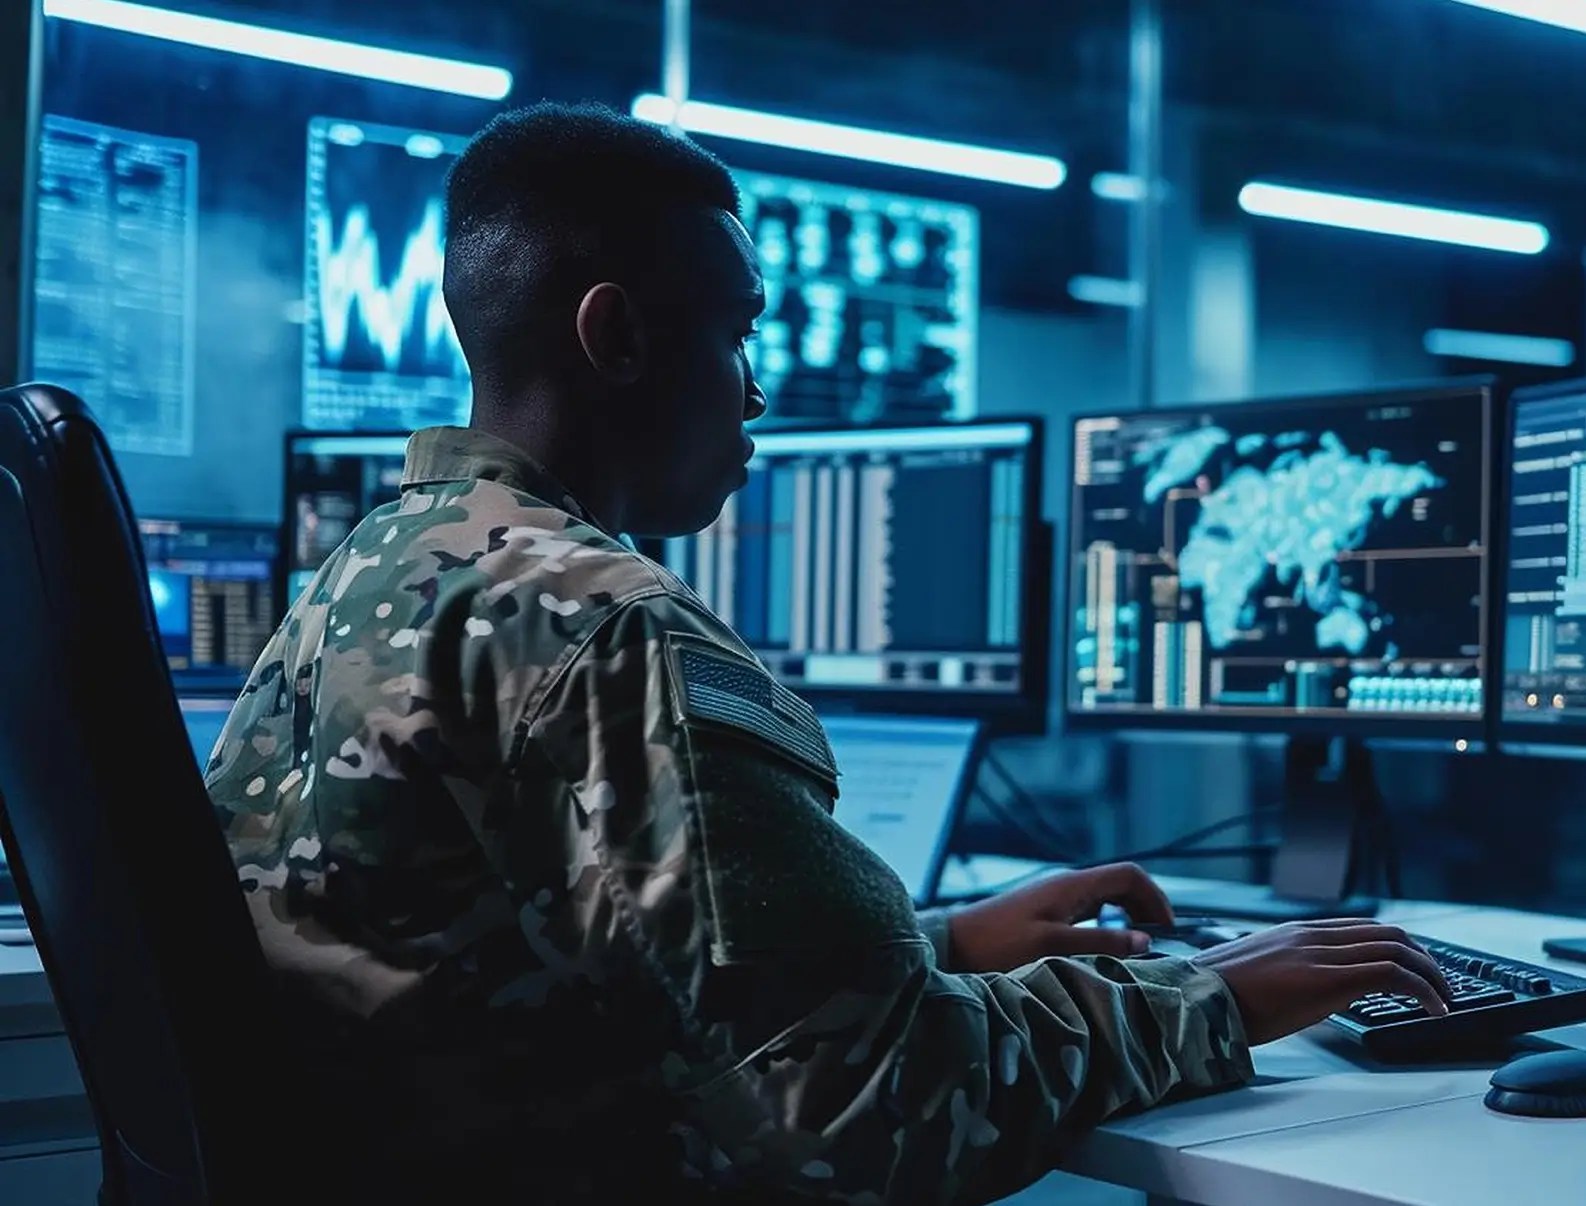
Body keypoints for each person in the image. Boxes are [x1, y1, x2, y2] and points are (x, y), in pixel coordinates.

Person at [207, 101, 1450, 1204]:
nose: (754, 393)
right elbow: (867, 1120)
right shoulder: (608, 621)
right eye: (739, 332)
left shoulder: (373, 566)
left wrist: (938, 943)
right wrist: (1212, 999)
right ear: (618, 339)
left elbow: (558, 954)